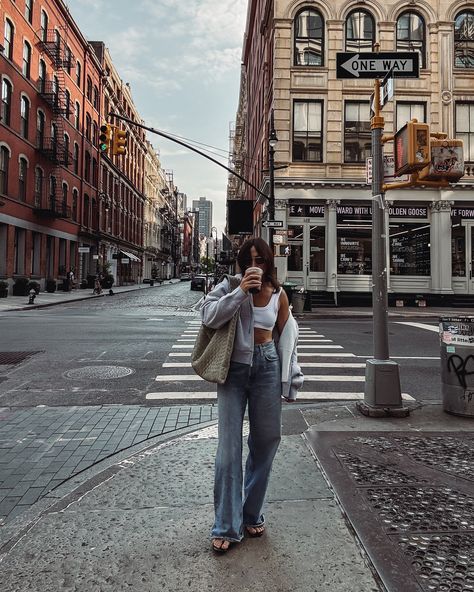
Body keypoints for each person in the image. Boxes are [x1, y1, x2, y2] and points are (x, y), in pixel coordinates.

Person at [200, 237, 303, 554]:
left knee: (267, 440)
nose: (254, 266)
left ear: (269, 263)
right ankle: (226, 526)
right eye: (249, 260)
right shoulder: (230, 285)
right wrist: (240, 290)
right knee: (228, 448)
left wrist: (291, 379)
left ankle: (250, 513)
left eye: (260, 260)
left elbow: (287, 339)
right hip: (233, 369)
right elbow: (209, 316)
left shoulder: (280, 294)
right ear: (241, 264)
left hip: (268, 366)